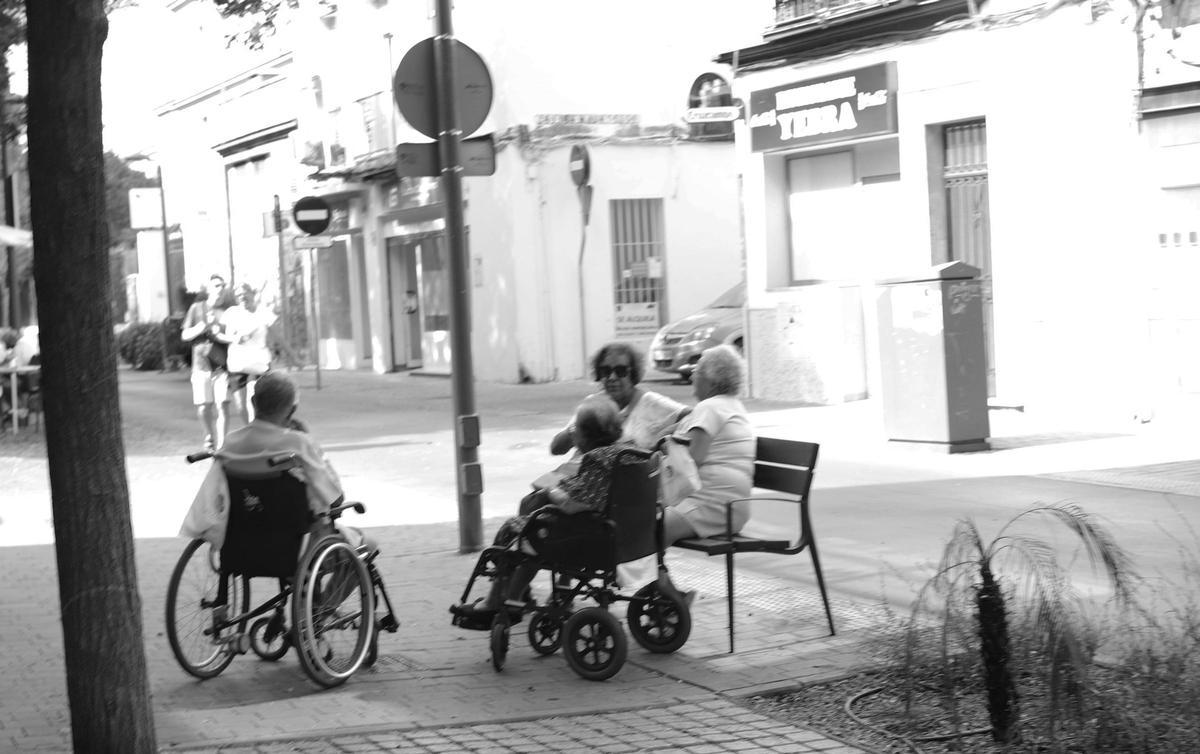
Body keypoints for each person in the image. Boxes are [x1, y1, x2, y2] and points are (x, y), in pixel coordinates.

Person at [452, 395, 637, 622]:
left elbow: (576, 504)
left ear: (586, 437)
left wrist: (551, 492)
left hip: (586, 538)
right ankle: (516, 594)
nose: (572, 432)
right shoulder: (627, 454)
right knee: (534, 531)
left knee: (518, 531)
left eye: (575, 428)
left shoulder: (596, 461)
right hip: (627, 535)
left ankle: (498, 600)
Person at [180, 370, 371, 553]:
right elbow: (335, 498)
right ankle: (329, 589)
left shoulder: (230, 442)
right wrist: (310, 441)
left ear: (253, 402)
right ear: (292, 409)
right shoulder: (298, 442)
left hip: (243, 540)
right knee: (368, 546)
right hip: (298, 544)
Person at [539, 342, 688, 491]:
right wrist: (577, 428)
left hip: (621, 492)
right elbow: (556, 448)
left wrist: (662, 439)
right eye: (605, 371)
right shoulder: (592, 404)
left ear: (633, 373)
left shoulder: (651, 402)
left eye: (620, 371)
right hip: (582, 484)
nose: (612, 377)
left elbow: (692, 416)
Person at [661, 344, 756, 545]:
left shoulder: (710, 408)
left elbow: (690, 462)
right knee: (642, 531)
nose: (693, 377)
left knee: (643, 532)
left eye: (697, 371)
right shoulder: (731, 405)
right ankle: (657, 576)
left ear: (711, 380)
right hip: (729, 507)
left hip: (709, 505)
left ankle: (656, 577)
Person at [181, 275, 236, 450]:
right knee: (204, 407)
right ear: (209, 289)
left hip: (221, 366)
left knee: (223, 405)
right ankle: (209, 436)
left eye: (223, 285)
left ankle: (221, 444)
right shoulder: (197, 308)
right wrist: (202, 327)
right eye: (216, 285)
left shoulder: (229, 311)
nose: (220, 289)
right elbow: (184, 335)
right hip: (201, 364)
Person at [223, 283, 275, 424]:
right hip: (237, 363)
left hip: (259, 362)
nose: (243, 296)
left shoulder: (264, 312)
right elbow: (225, 336)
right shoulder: (231, 313)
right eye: (239, 294)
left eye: (245, 293)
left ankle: (257, 432)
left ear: (252, 293)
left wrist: (292, 356)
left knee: (254, 398)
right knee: (240, 404)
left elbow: (277, 334)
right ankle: (250, 430)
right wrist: (236, 338)